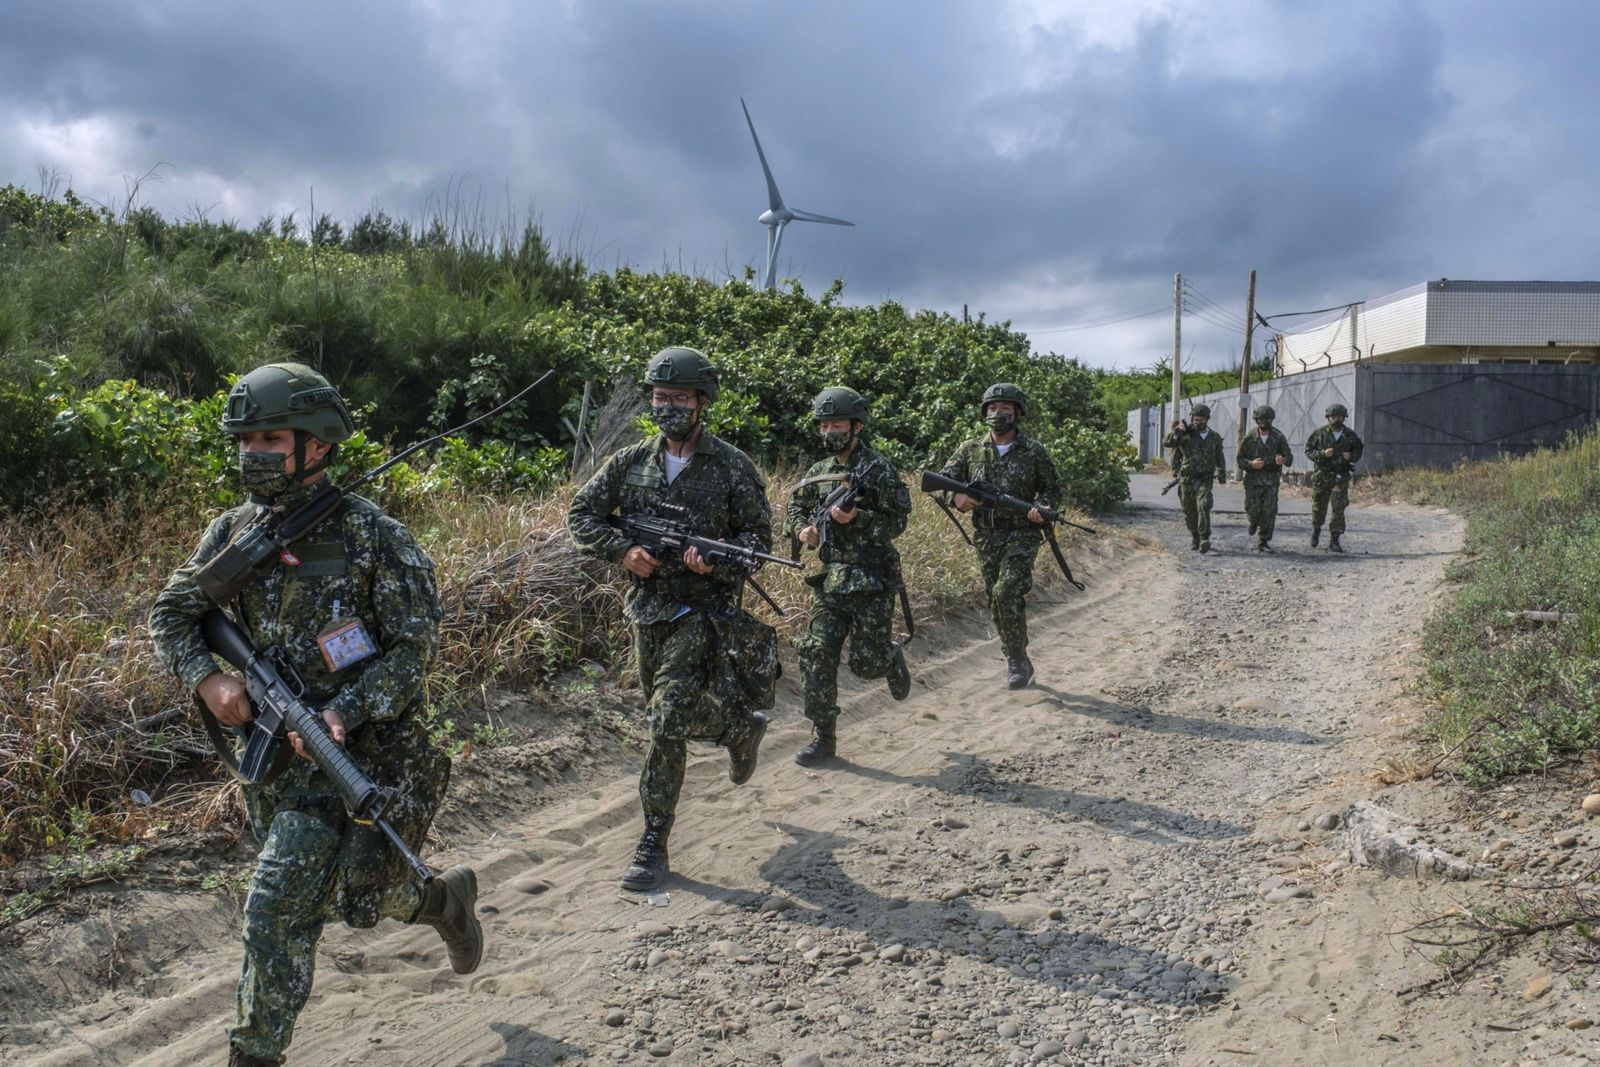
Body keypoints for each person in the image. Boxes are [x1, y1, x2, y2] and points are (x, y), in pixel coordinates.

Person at [149, 363, 481, 1067]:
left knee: (276, 907)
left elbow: (413, 653)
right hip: (274, 759)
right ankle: (443, 900)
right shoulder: (234, 536)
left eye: (271, 436)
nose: (252, 452)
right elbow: (174, 613)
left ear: (319, 444)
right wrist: (208, 678)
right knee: (349, 902)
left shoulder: (374, 538)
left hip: (360, 756)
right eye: (246, 438)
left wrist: (343, 711)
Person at [567, 347, 772, 891]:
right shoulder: (630, 461)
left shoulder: (732, 466)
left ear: (703, 402)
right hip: (647, 609)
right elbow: (581, 514)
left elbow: (759, 542)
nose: (670, 407)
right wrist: (622, 550)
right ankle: (736, 728)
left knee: (665, 720)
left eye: (680, 398)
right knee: (666, 714)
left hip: (704, 612)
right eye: (661, 398)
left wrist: (719, 558)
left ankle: (653, 843)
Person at [783, 387, 912, 766]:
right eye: (825, 425)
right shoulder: (818, 472)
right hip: (829, 579)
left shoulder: (878, 469)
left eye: (837, 423)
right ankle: (824, 739)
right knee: (816, 653)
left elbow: (898, 521)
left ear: (856, 426)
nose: (830, 431)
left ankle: (889, 659)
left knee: (865, 664)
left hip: (870, 579)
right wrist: (802, 529)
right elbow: (796, 505)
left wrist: (859, 519)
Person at [940, 382, 1062, 690]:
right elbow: (942, 482)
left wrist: (1042, 508)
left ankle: (1017, 660)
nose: (998, 414)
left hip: (1022, 534)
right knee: (996, 598)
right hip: (986, 536)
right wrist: (956, 498)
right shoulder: (969, 449)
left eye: (1005, 408)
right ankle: (1015, 652)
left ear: (1018, 413)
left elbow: (1051, 491)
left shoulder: (1034, 451)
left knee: (1006, 590)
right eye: (992, 408)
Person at [1164, 403, 1227, 553]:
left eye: (1202, 420)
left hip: (1205, 478)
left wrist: (1221, 473)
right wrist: (1178, 432)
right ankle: (1195, 536)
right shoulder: (1186, 435)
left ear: (1207, 420)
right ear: (1192, 418)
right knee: (1189, 510)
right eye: (1196, 419)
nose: (1198, 422)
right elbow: (1167, 442)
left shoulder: (1214, 437)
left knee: (1204, 504)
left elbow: (1220, 457)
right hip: (1187, 479)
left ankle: (1205, 538)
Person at [1305, 402, 1364, 552]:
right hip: (1322, 476)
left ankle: (1335, 539)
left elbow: (1359, 449)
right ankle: (1316, 529)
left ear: (1344, 418)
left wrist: (1350, 456)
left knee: (1338, 508)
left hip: (1341, 476)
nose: (1336, 419)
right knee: (1319, 507)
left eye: (1340, 416)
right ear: (1328, 418)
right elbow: (1309, 450)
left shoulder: (1350, 435)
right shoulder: (1319, 433)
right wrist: (1322, 454)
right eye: (1333, 416)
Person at [1235, 404, 1293, 552]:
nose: (1263, 423)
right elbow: (1240, 460)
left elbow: (1289, 457)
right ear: (1256, 420)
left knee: (1269, 511)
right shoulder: (1249, 438)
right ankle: (1253, 521)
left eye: (1266, 419)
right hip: (1253, 481)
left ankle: (1264, 540)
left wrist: (1283, 460)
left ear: (1272, 420)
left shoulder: (1278, 437)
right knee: (1253, 509)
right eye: (1260, 419)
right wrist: (1251, 464)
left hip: (1271, 481)